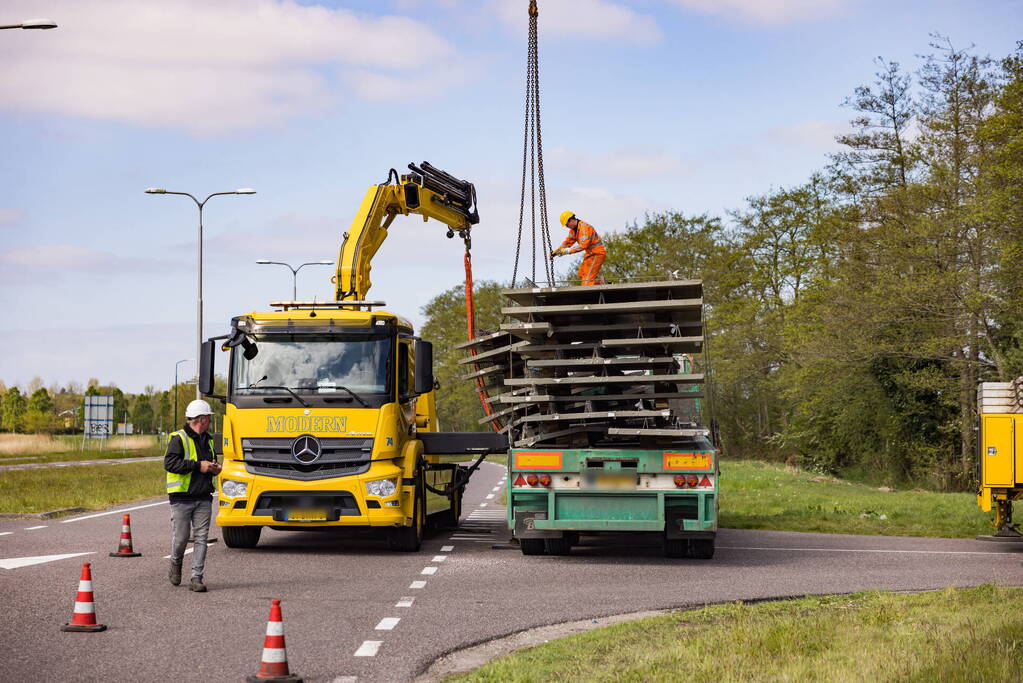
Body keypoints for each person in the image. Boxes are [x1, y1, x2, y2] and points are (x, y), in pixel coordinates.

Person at [165, 399, 221, 592]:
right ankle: (176, 562)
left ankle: (197, 577)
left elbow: (212, 461)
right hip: (181, 498)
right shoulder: (178, 439)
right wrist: (198, 465)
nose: (209, 422)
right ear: (202, 419)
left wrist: (215, 468)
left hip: (204, 497)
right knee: (181, 538)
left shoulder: (209, 439)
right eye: (208, 418)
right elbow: (170, 464)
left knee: (201, 538)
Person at [551, 211, 606, 286]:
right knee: (582, 274)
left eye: (567, 224)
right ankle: (601, 283)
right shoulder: (574, 230)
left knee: (587, 280)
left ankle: (590, 294)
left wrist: (567, 251)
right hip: (590, 254)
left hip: (597, 254)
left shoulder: (584, 228)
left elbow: (584, 245)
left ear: (571, 220)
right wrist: (557, 252)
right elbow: (568, 242)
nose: (567, 226)